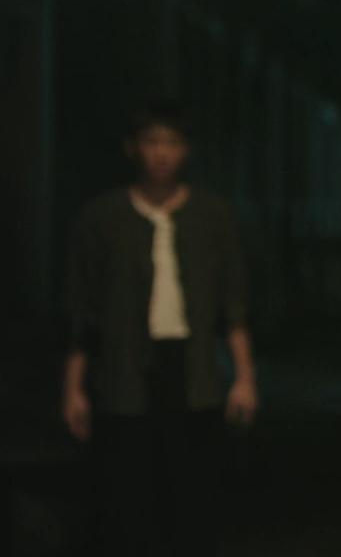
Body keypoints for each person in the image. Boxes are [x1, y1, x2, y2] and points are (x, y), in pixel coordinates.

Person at [61, 100, 257, 556]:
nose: (162, 153)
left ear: (186, 150)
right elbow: (82, 312)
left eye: (172, 142)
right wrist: (73, 388)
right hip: (124, 369)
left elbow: (233, 306)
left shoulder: (212, 217)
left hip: (190, 368)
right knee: (127, 494)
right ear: (133, 149)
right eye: (152, 142)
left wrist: (245, 377)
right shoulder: (102, 219)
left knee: (191, 492)